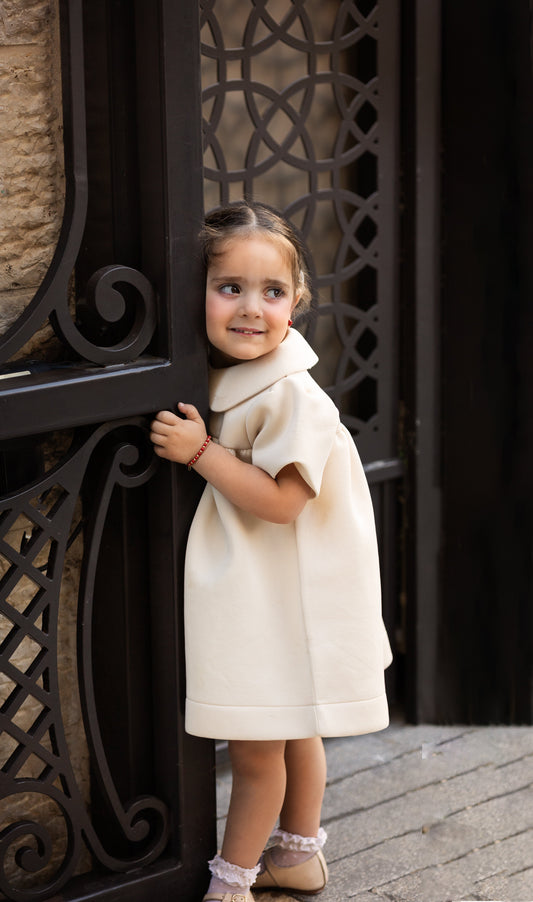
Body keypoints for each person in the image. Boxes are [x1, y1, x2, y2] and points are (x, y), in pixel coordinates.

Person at [150, 201, 392, 902]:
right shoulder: (236, 377)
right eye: (230, 287)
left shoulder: (289, 394)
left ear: (298, 302)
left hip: (292, 593)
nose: (251, 308)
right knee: (294, 732)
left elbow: (284, 502)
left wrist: (199, 452)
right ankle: (299, 853)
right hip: (284, 591)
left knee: (259, 753)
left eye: (272, 291)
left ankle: (232, 884)